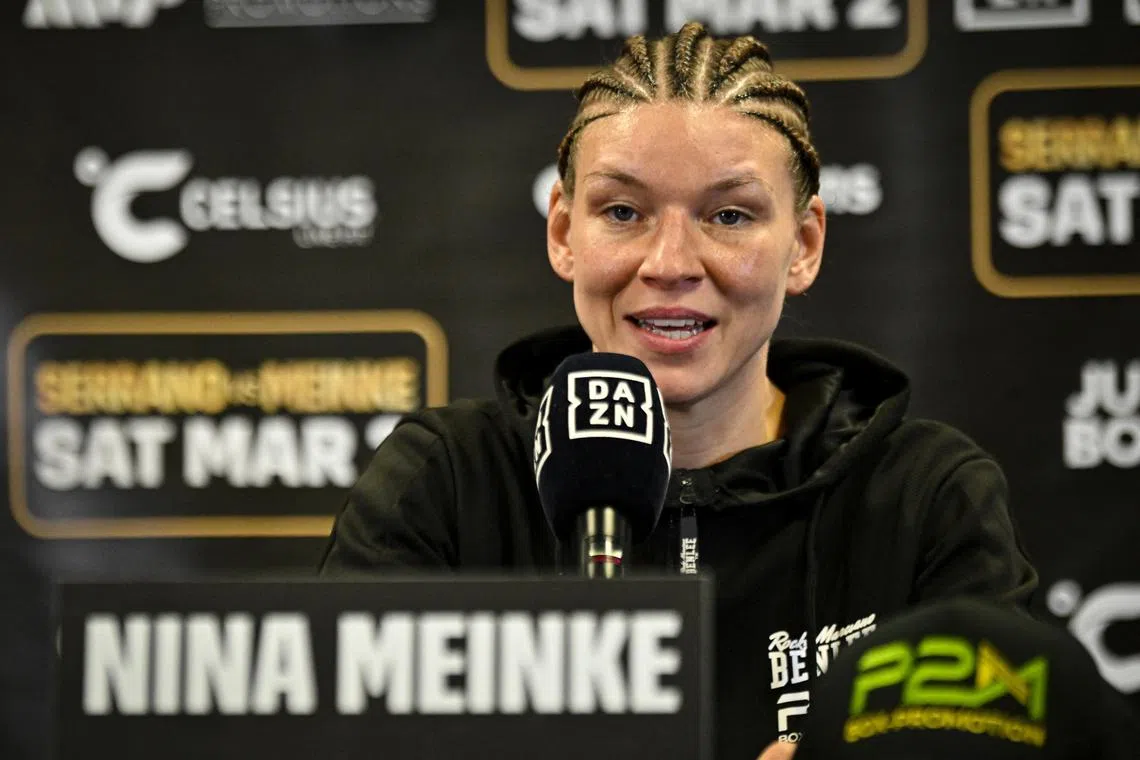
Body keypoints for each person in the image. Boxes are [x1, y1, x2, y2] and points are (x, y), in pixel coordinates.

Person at [319, 21, 1038, 760]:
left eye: (729, 215)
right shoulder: (446, 482)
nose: (670, 262)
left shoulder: (922, 496)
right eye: (623, 212)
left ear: (806, 245)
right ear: (565, 232)